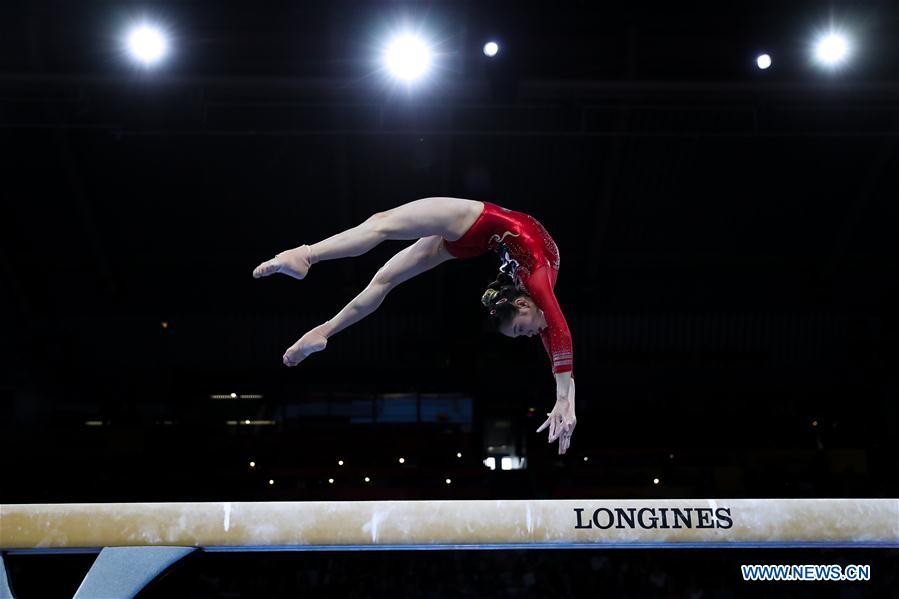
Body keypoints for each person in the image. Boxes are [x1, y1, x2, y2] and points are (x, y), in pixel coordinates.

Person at [253, 197, 576, 454]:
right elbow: (559, 331)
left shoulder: (536, 304)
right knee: (382, 224)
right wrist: (563, 398)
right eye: (521, 330)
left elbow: (556, 352)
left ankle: (324, 331)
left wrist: (567, 402)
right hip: (473, 218)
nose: (529, 335)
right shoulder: (539, 281)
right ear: (521, 304)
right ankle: (307, 256)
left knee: (385, 279)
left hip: (476, 242)